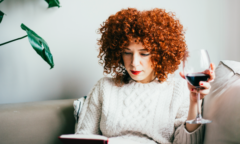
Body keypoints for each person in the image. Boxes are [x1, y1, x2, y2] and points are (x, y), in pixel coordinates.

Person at [75, 8, 215, 144]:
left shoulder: (178, 90)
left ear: (160, 54)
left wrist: (195, 101)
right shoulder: (104, 87)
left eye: (144, 53)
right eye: (127, 52)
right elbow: (83, 137)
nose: (134, 63)